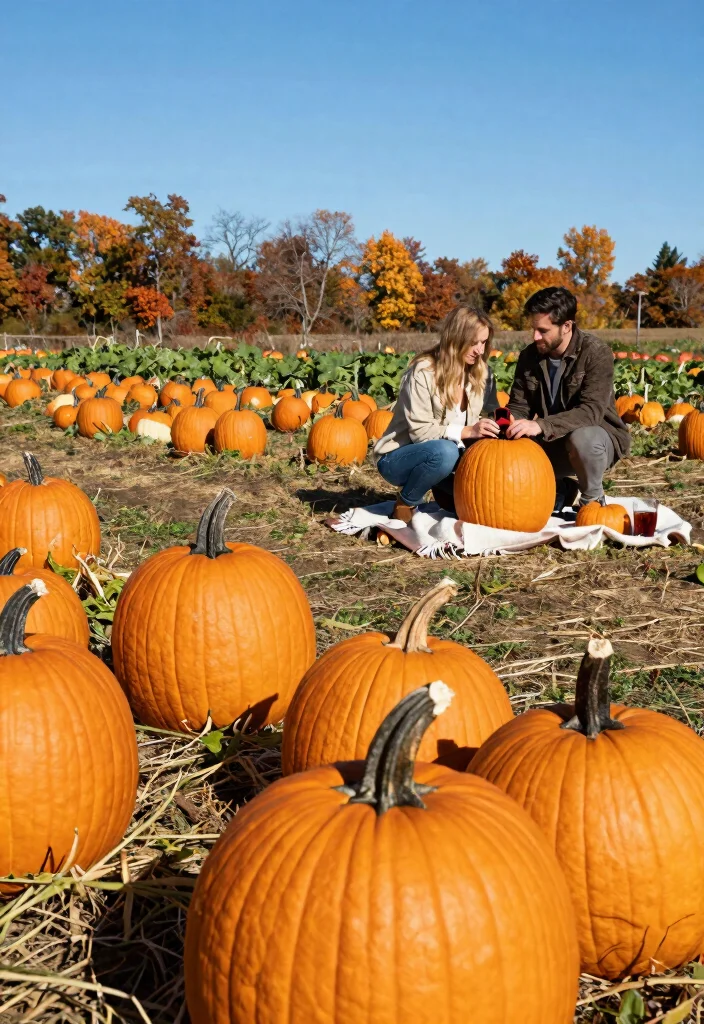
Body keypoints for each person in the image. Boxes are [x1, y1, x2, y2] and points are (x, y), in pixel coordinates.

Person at [506, 286, 630, 510]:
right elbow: (519, 406)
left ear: (566, 326)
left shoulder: (595, 353)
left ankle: (592, 503)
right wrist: (505, 423)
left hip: (598, 439)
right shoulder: (529, 356)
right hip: (553, 437)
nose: (535, 336)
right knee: (507, 447)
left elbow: (591, 411)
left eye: (543, 330)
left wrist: (541, 425)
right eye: (533, 329)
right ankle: (561, 488)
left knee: (582, 438)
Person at [374, 304, 500, 523]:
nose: (480, 350)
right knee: (445, 452)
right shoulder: (423, 372)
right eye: (473, 343)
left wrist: (507, 423)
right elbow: (421, 434)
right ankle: (405, 502)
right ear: (456, 339)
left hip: (452, 457)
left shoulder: (482, 372)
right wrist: (469, 431)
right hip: (399, 457)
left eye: (484, 342)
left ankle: (442, 488)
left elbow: (494, 411)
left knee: (479, 505)